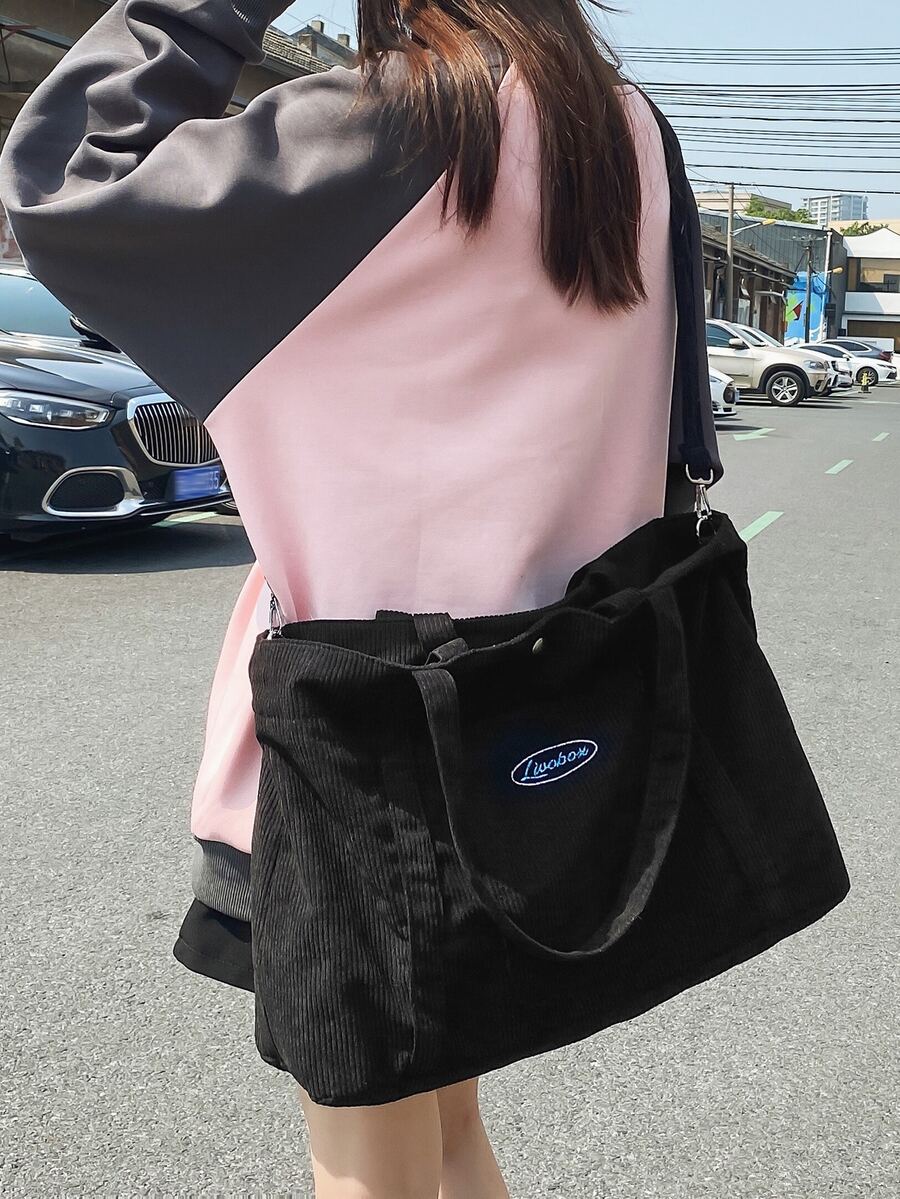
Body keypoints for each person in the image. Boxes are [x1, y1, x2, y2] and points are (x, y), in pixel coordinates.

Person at [0, 1, 722, 1195]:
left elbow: (65, 184)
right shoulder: (625, 127)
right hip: (548, 730)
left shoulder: (381, 131)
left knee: (370, 1163)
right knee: (449, 1132)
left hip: (361, 743)